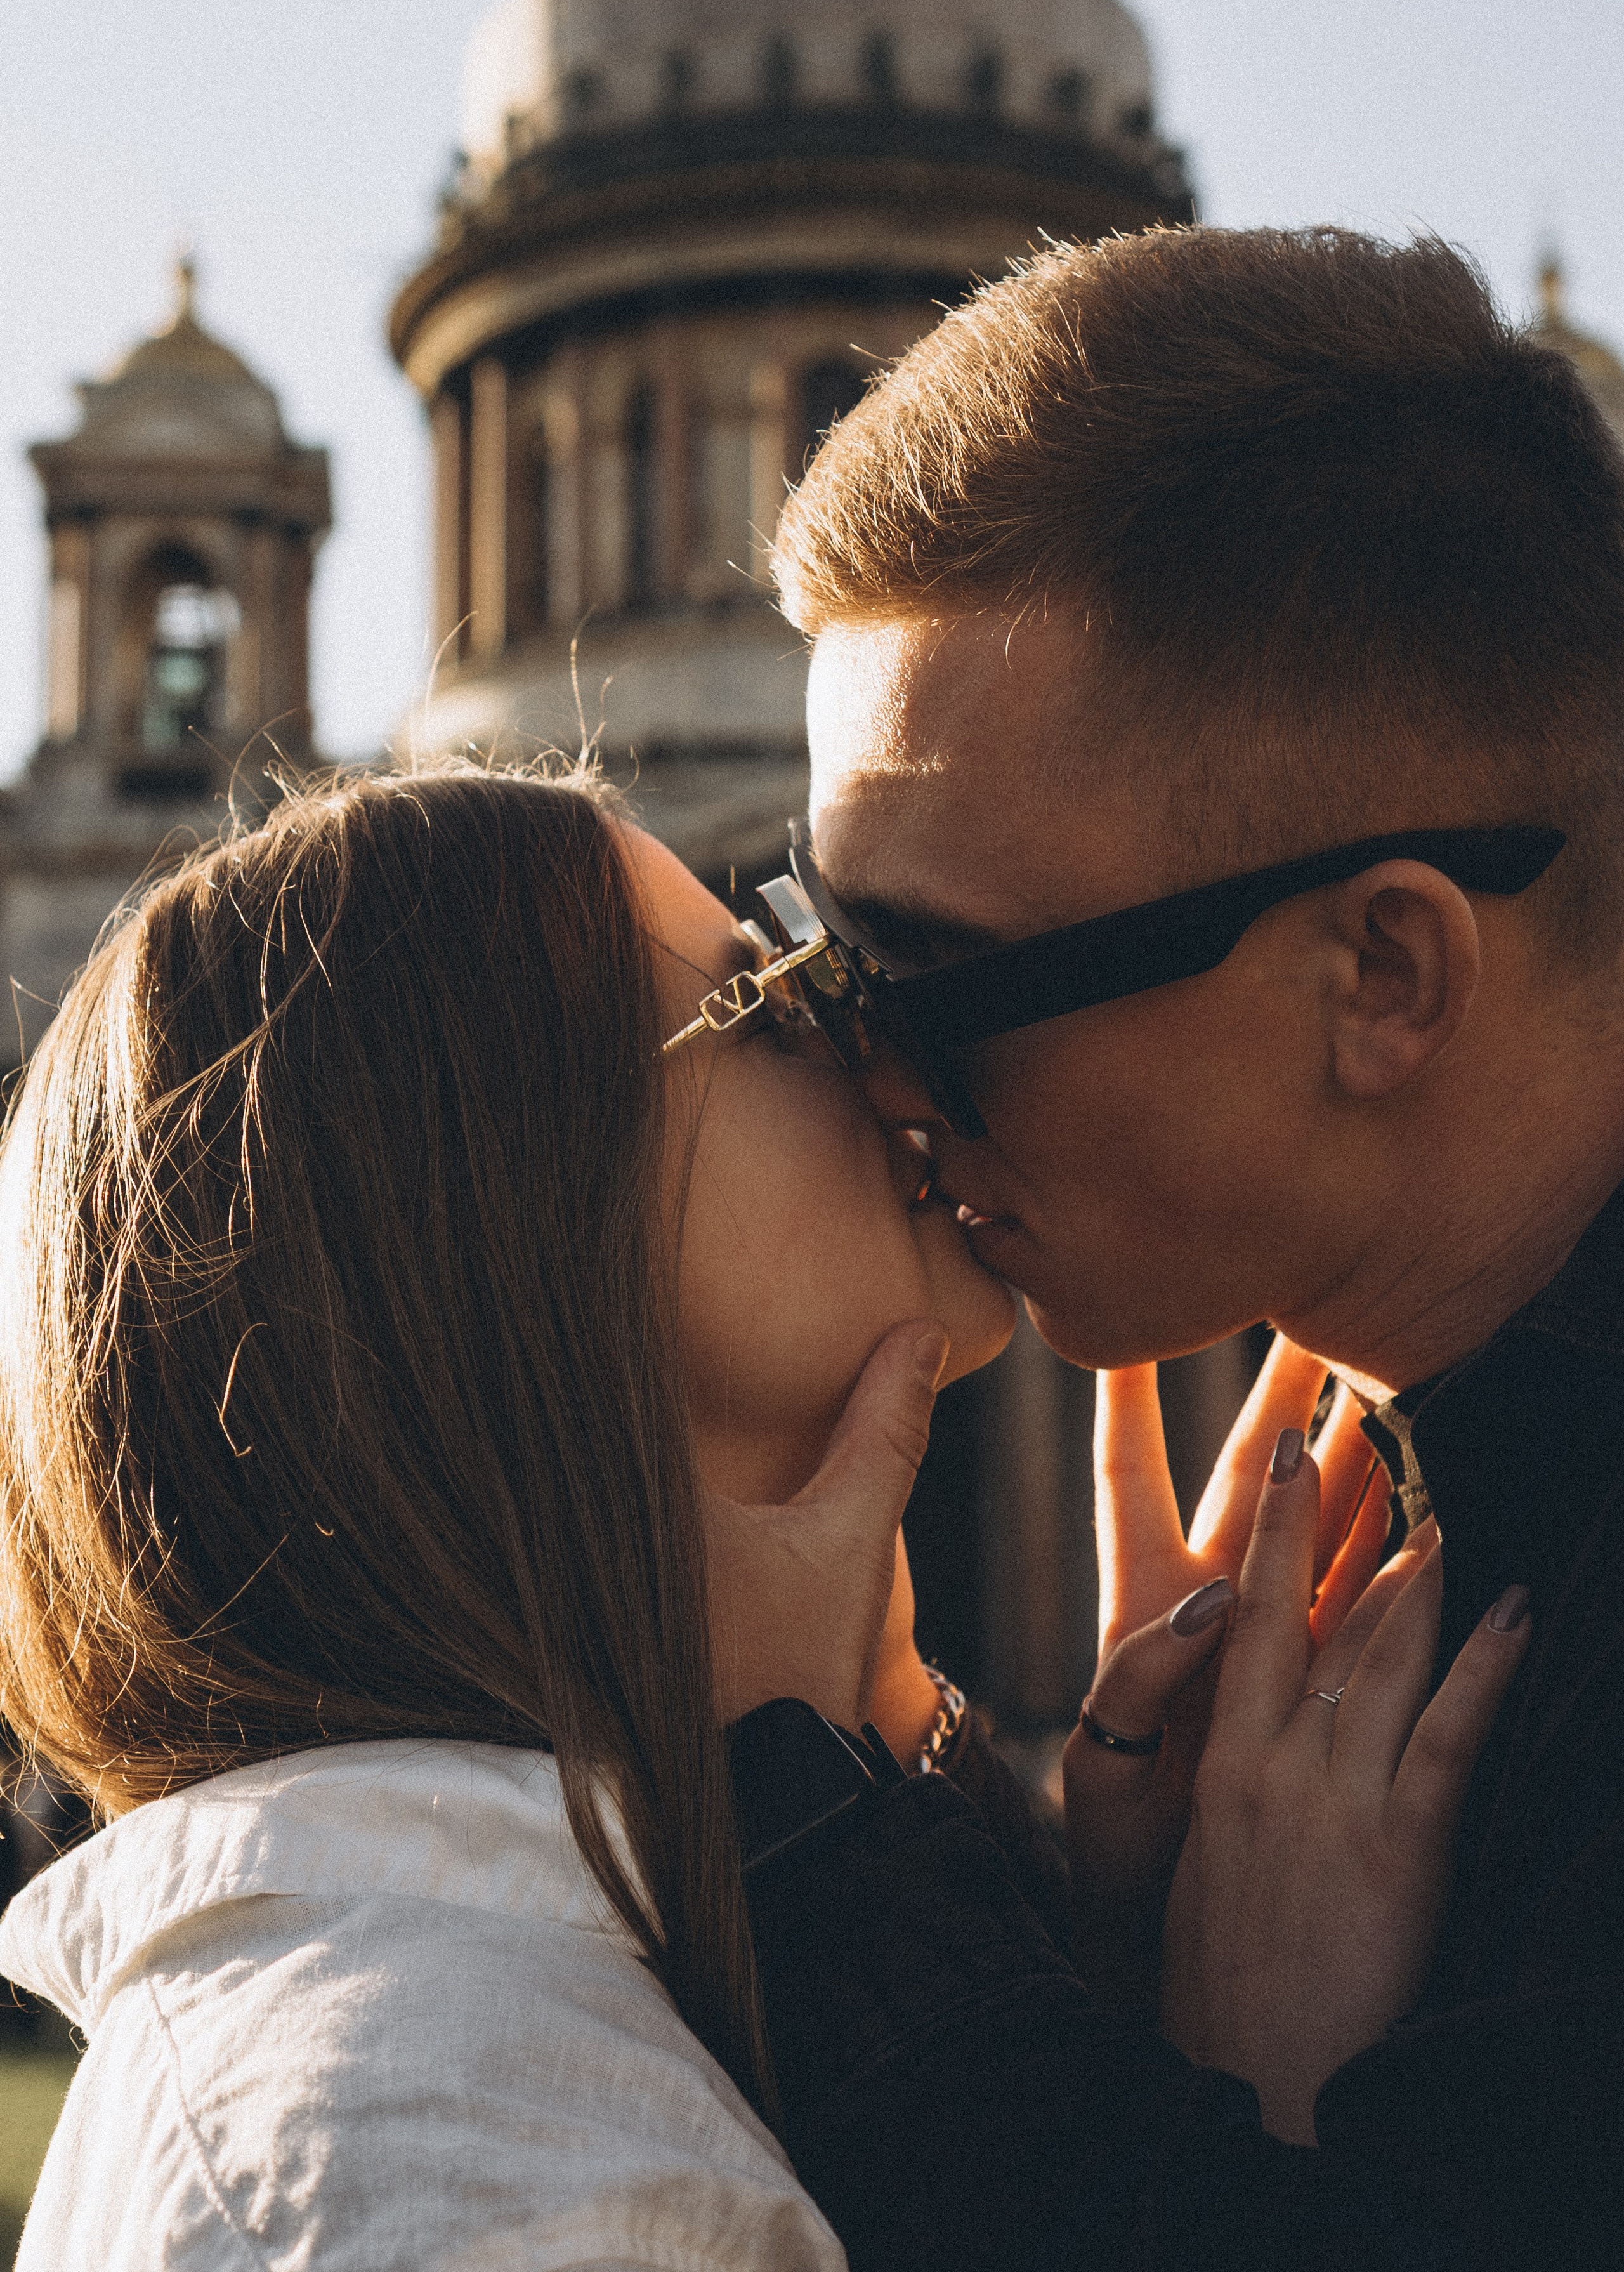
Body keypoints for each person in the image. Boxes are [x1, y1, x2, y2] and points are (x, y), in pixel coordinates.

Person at [0, 764, 1519, 2268]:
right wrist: (1270, 2125)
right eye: (770, 990)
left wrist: (1109, 1998)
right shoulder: (458, 2167)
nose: (890, 1053)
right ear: (504, 1209)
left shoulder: (548, 2036)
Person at [738, 222, 1624, 2267]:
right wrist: (1133, 1984)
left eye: (926, 978)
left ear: (1384, 973)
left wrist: (817, 1819)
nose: (865, 1077)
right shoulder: (1410, 1515)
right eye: (810, 944)